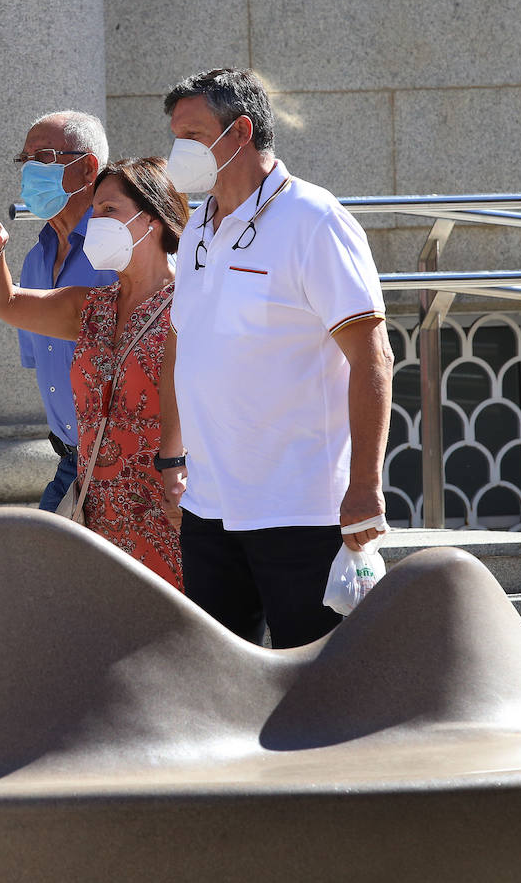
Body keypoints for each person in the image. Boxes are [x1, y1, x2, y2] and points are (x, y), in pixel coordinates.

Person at [156, 68, 394, 647]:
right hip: (209, 507)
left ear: (238, 132)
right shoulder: (196, 232)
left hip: (303, 511)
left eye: (190, 134)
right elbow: (183, 344)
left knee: (320, 688)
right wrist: (172, 458)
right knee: (219, 690)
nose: (176, 152)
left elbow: (372, 357)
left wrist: (364, 483)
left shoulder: (314, 219)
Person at [0, 157, 189, 590]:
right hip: (95, 508)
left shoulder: (193, 303)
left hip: (173, 506)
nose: (97, 221)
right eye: (96, 210)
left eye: (110, 210)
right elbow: (5, 303)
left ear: (155, 218)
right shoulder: (90, 306)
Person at [0, 111, 115, 511]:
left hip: (124, 462)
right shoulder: (36, 258)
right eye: (25, 159)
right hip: (71, 461)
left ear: (87, 168)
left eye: (45, 157)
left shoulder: (120, 249)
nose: (31, 169)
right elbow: (35, 347)